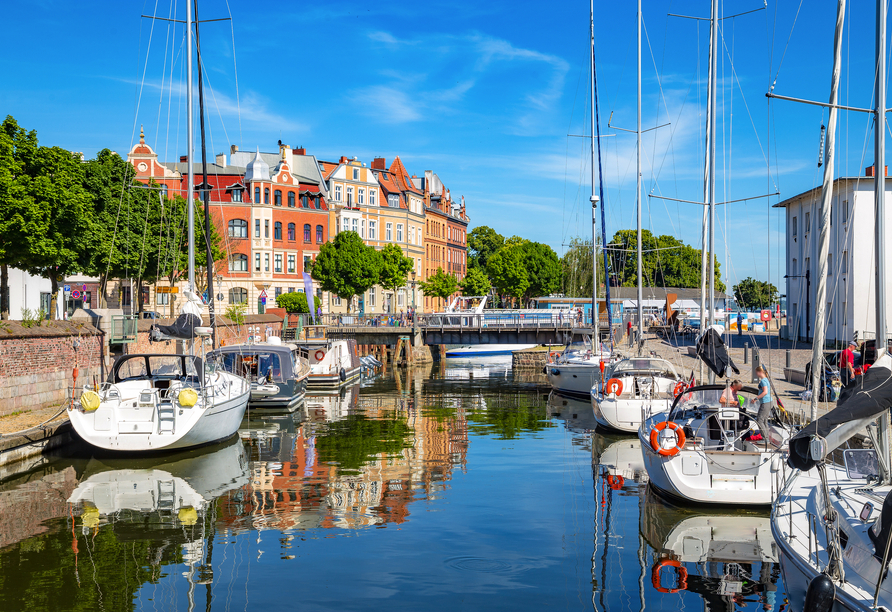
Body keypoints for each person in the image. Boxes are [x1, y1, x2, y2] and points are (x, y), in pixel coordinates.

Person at [754, 366, 774, 444]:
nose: (756, 374)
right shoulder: (766, 380)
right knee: (764, 420)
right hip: (769, 402)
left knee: (759, 420)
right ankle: (766, 438)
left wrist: (756, 398)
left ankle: (765, 438)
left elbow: (765, 392)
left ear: (760, 372)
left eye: (756, 372)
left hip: (765, 402)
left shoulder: (763, 381)